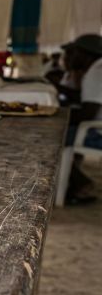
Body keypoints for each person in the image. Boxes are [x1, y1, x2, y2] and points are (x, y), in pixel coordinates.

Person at [57, 34, 102, 204]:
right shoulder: (96, 68)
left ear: (86, 54)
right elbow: (85, 100)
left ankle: (81, 184)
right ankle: (71, 180)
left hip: (97, 132)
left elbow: (87, 114)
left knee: (50, 138)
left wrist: (56, 115)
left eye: (74, 52)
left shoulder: (96, 72)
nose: (70, 57)